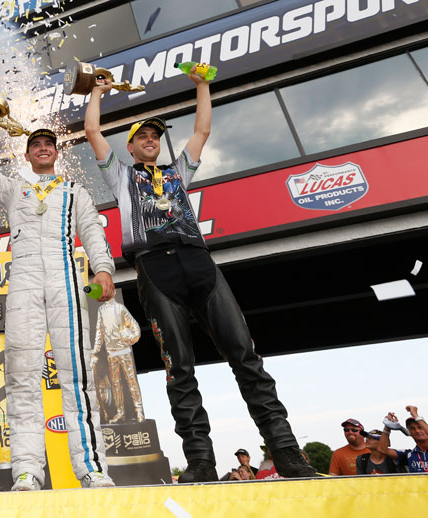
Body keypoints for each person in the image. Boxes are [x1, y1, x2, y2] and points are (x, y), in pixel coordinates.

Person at [83, 66, 316, 483]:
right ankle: (201, 463)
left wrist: (203, 86)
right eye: (142, 137)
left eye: (155, 136)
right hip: (155, 269)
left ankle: (285, 453)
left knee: (246, 357)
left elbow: (202, 130)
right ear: (130, 147)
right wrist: (97, 92)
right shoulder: (119, 175)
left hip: (200, 264)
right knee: (179, 368)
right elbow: (92, 132)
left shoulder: (178, 172)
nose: (150, 140)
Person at [0, 113, 117, 491]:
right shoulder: (14, 189)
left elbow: (92, 230)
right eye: (36, 145)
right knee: (21, 378)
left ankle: (92, 468)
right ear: (28, 155)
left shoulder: (75, 191)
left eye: (49, 144)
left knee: (77, 377)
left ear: (56, 153)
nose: (43, 149)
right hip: (24, 283)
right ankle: (26, 471)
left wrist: (103, 269)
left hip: (66, 281)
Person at [374, 405, 428, 473]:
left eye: (420, 427)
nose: (417, 431)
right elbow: (382, 449)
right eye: (412, 428)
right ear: (409, 433)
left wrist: (415, 415)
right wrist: (387, 426)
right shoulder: (409, 454)